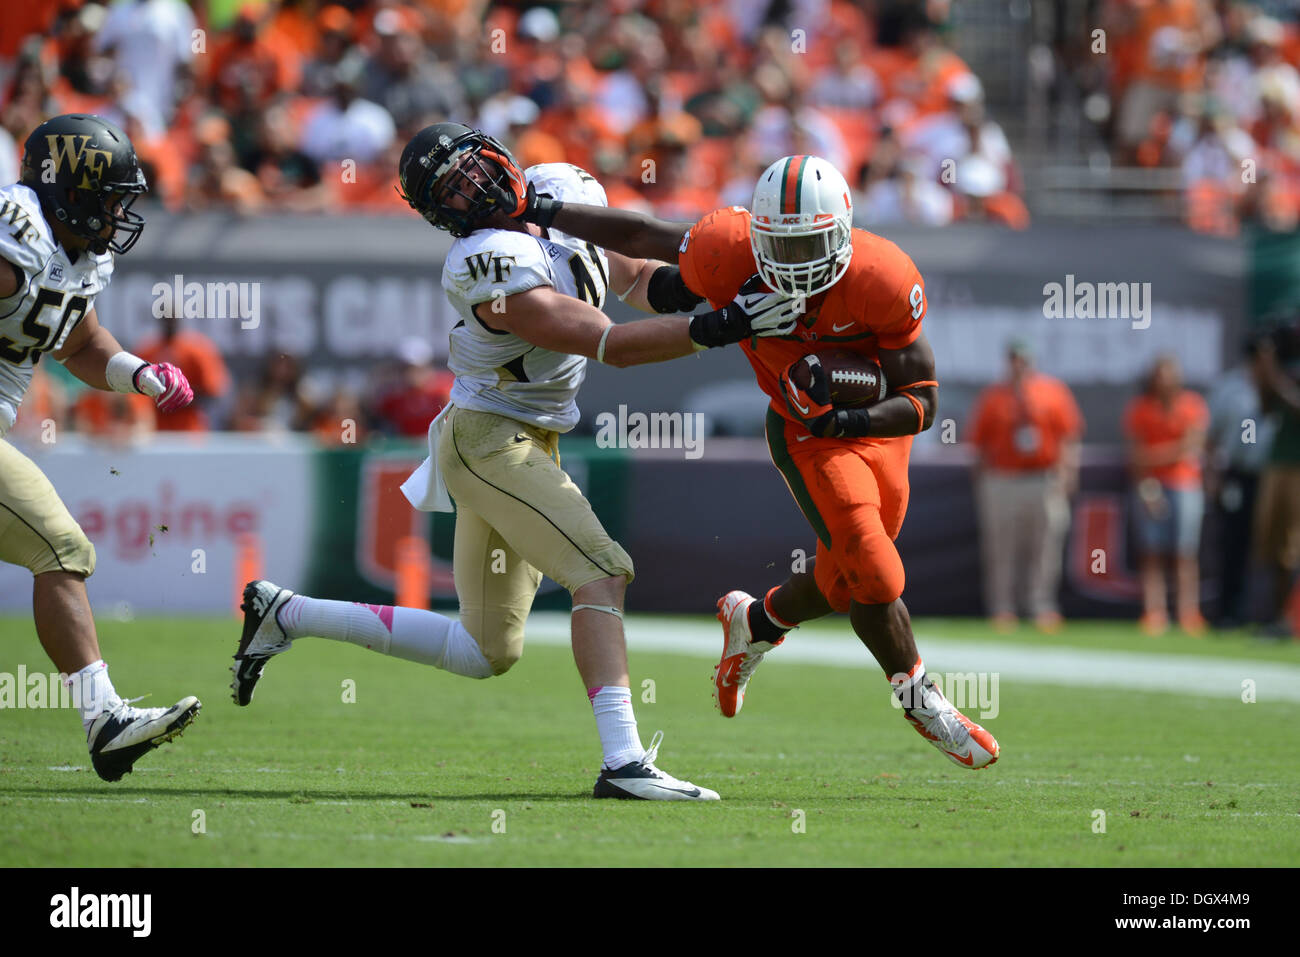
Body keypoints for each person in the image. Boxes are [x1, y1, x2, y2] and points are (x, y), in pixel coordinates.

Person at [231, 123, 804, 800]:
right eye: (455, 189)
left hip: (529, 434)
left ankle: (285, 613)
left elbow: (637, 278)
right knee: (603, 570)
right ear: (445, 215)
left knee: (486, 650)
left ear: (494, 148)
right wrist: (730, 324)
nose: (476, 186)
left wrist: (708, 289)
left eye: (472, 166)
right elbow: (609, 343)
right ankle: (623, 761)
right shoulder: (483, 261)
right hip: (490, 438)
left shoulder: (562, 186)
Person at [502, 153, 1000, 769]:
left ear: (842, 233)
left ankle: (757, 620)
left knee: (848, 584)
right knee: (876, 573)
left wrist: (847, 415)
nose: (793, 263)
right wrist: (536, 210)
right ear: (757, 235)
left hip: (872, 428)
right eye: (780, 246)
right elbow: (643, 243)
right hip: (805, 434)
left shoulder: (883, 275)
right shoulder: (726, 250)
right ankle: (920, 699)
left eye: (808, 246)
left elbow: (921, 403)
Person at [0, 114, 199, 780]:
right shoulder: (16, 232)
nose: (118, 212)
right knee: (60, 547)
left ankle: (105, 718)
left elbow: (79, 344)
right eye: (109, 196)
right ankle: (104, 717)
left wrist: (138, 373)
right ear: (70, 191)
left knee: (60, 550)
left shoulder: (80, 253)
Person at [969, 340, 1083, 632]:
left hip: (1043, 477)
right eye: (1014, 359)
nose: (1019, 365)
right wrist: (983, 481)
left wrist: (1068, 473)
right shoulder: (993, 396)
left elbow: (1069, 436)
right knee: (1001, 546)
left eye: (1024, 359)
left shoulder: (1053, 392)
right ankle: (1002, 607)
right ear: (1008, 362)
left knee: (1046, 545)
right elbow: (978, 444)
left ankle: (1041, 606)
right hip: (1003, 479)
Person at [1123, 355, 1210, 635]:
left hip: (1185, 485)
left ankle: (1188, 612)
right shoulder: (1140, 409)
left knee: (1184, 553)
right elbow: (1136, 456)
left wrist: (1156, 455)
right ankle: (1154, 611)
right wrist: (1172, 452)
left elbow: (1194, 445)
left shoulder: (1192, 404)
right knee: (1152, 552)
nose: (1164, 381)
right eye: (1159, 375)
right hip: (1151, 486)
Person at [1252, 319, 1300, 637]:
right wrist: (1265, 367)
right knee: (1272, 544)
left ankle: (1289, 618)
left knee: (1293, 544)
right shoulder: (1285, 367)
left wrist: (1275, 374)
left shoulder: (1289, 373)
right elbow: (1266, 408)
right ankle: (1276, 616)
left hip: (1297, 466)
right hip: (1277, 464)